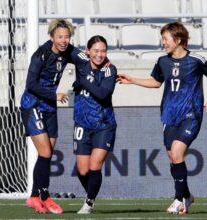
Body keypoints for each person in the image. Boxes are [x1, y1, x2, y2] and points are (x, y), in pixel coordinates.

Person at [117, 22, 207, 215]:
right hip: (169, 115)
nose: (163, 42)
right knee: (173, 158)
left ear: (178, 40)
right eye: (162, 38)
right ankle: (187, 195)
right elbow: (156, 82)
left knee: (177, 153)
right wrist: (132, 80)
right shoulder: (162, 61)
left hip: (191, 115)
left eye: (166, 38)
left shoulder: (196, 60)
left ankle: (178, 199)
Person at [21, 19, 84, 214]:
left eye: (67, 36)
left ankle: (34, 196)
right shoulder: (41, 54)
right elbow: (30, 84)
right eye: (60, 37)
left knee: (46, 155)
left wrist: (99, 58)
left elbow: (84, 58)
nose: (64, 40)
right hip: (33, 106)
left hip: (50, 108)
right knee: (46, 153)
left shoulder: (68, 51)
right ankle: (45, 197)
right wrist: (54, 95)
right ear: (52, 37)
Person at [71, 35, 117, 214]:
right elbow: (65, 48)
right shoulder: (81, 65)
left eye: (103, 51)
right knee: (82, 170)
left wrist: (82, 81)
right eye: (96, 50)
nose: (100, 54)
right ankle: (90, 193)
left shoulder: (110, 70)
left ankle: (88, 203)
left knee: (94, 165)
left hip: (103, 123)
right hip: (82, 123)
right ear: (88, 52)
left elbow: (103, 94)